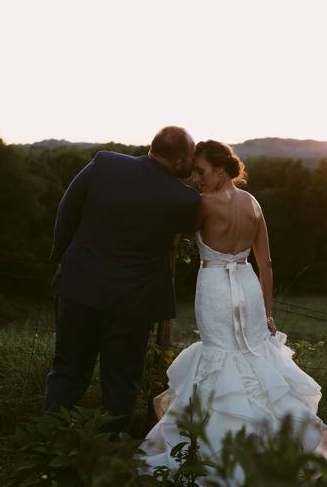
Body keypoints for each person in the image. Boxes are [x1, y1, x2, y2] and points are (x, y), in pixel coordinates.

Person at [141, 140, 327, 475]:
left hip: (214, 285)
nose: (196, 178)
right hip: (247, 284)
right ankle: (271, 442)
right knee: (250, 355)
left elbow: (175, 229)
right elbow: (266, 264)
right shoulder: (253, 203)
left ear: (219, 168)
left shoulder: (203, 205)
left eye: (200, 171)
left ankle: (215, 446)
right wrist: (267, 311)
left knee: (219, 356)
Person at [43, 126, 200, 433]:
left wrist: (64, 259)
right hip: (131, 301)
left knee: (67, 371)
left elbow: (67, 209)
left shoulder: (105, 163)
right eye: (191, 158)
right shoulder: (184, 199)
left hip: (79, 286)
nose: (193, 164)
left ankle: (47, 443)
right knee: (121, 380)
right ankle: (108, 453)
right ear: (180, 160)